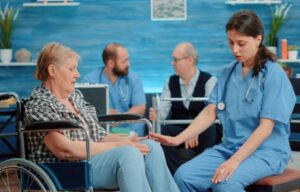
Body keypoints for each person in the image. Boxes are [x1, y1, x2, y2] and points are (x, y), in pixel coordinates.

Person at [150, 10, 296, 192]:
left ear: (258, 40)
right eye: (231, 43)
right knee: (183, 176)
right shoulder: (228, 72)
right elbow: (211, 111)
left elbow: (266, 127)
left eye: (241, 43)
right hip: (229, 148)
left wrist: (235, 161)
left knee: (225, 182)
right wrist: (177, 139)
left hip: (266, 152)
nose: (235, 49)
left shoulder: (273, 74)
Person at [24, 42, 179, 192]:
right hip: (67, 169)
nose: (77, 74)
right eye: (71, 69)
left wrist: (129, 140)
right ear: (53, 71)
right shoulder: (40, 104)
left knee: (151, 147)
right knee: (129, 155)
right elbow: (64, 150)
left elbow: (98, 135)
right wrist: (118, 146)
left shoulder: (75, 97)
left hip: (91, 159)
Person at [149, 42, 218, 175]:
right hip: (177, 132)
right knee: (159, 131)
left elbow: (211, 111)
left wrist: (194, 131)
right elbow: (161, 114)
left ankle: (202, 173)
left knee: (210, 127)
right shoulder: (170, 82)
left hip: (202, 131)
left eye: (176, 59)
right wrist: (156, 115)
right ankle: (178, 175)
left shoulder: (210, 80)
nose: (172, 63)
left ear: (190, 60)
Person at [82, 43, 146, 136]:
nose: (129, 64)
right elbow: (82, 110)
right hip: (104, 130)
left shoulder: (133, 78)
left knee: (135, 129)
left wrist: (119, 118)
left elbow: (140, 107)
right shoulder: (89, 80)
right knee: (102, 132)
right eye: (124, 61)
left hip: (128, 129)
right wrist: (103, 113)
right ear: (111, 63)